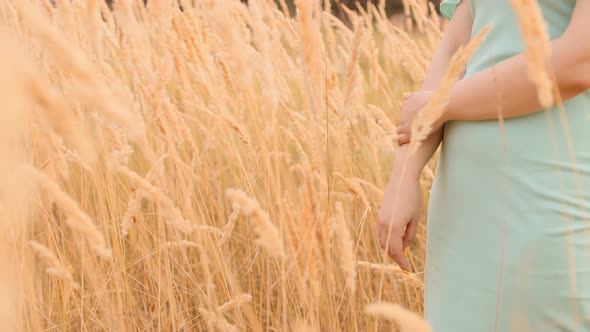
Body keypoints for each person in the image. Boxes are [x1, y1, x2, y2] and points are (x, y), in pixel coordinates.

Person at [377, 0, 590, 330]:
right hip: (462, 215)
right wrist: (406, 171)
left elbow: (579, 61)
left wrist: (440, 104)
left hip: (549, 202)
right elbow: (455, 50)